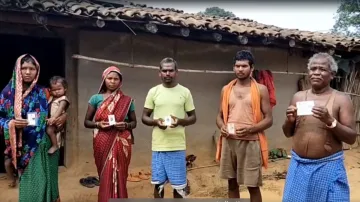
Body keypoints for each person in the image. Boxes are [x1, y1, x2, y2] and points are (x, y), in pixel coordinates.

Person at [282, 52, 356, 202]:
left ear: (332, 74)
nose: (316, 72)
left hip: (328, 167)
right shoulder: (298, 97)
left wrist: (330, 121)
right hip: (299, 167)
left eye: (322, 69)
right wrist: (289, 121)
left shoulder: (341, 99)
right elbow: (288, 133)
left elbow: (351, 137)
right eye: (313, 68)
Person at [0, 54, 67, 201]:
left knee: (50, 183)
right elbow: (1, 117)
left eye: (32, 68)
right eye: (24, 68)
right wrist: (12, 124)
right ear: (18, 69)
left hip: (47, 144)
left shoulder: (44, 92)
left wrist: (64, 116)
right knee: (31, 185)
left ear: (37, 71)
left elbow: (60, 105)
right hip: (25, 147)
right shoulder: (7, 93)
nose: (28, 72)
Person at [216, 50, 273, 202]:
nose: (240, 69)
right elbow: (219, 116)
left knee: (252, 185)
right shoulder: (226, 89)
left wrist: (251, 129)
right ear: (233, 67)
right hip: (229, 142)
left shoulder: (261, 89)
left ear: (252, 68)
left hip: (251, 142)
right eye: (237, 66)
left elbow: (269, 119)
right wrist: (222, 126)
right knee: (231, 184)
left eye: (244, 66)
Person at [142, 57, 196, 198]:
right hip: (159, 146)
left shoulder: (185, 92)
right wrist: (156, 122)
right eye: (164, 70)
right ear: (159, 73)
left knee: (179, 187)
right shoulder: (153, 92)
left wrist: (179, 121)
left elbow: (193, 117)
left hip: (177, 146)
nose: (167, 73)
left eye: (171, 70)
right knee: (158, 186)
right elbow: (144, 117)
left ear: (176, 72)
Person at [84, 66, 137, 201]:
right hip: (102, 138)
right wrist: (98, 124)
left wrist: (125, 125)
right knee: (106, 173)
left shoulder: (127, 101)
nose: (112, 81)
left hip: (122, 139)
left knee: (120, 173)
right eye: (109, 78)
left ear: (120, 81)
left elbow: (134, 123)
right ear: (104, 79)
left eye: (116, 79)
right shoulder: (96, 98)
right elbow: (87, 122)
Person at [46, 76, 70, 154]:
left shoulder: (63, 99)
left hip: (57, 120)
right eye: (54, 90)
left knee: (49, 130)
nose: (56, 91)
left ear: (65, 89)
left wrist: (54, 118)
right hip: (51, 120)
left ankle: (55, 145)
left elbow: (60, 109)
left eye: (59, 89)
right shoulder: (51, 98)